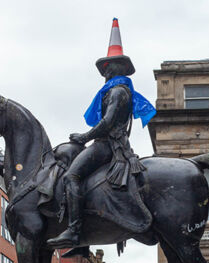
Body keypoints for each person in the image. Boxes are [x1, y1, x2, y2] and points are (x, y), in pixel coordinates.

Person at [47, 18, 156, 249]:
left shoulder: (118, 92)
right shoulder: (119, 91)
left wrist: (84, 137)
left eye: (109, 66)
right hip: (110, 144)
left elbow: (107, 123)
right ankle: (84, 243)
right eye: (105, 67)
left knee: (71, 177)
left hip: (109, 146)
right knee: (85, 180)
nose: (105, 70)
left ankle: (75, 233)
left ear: (119, 68)